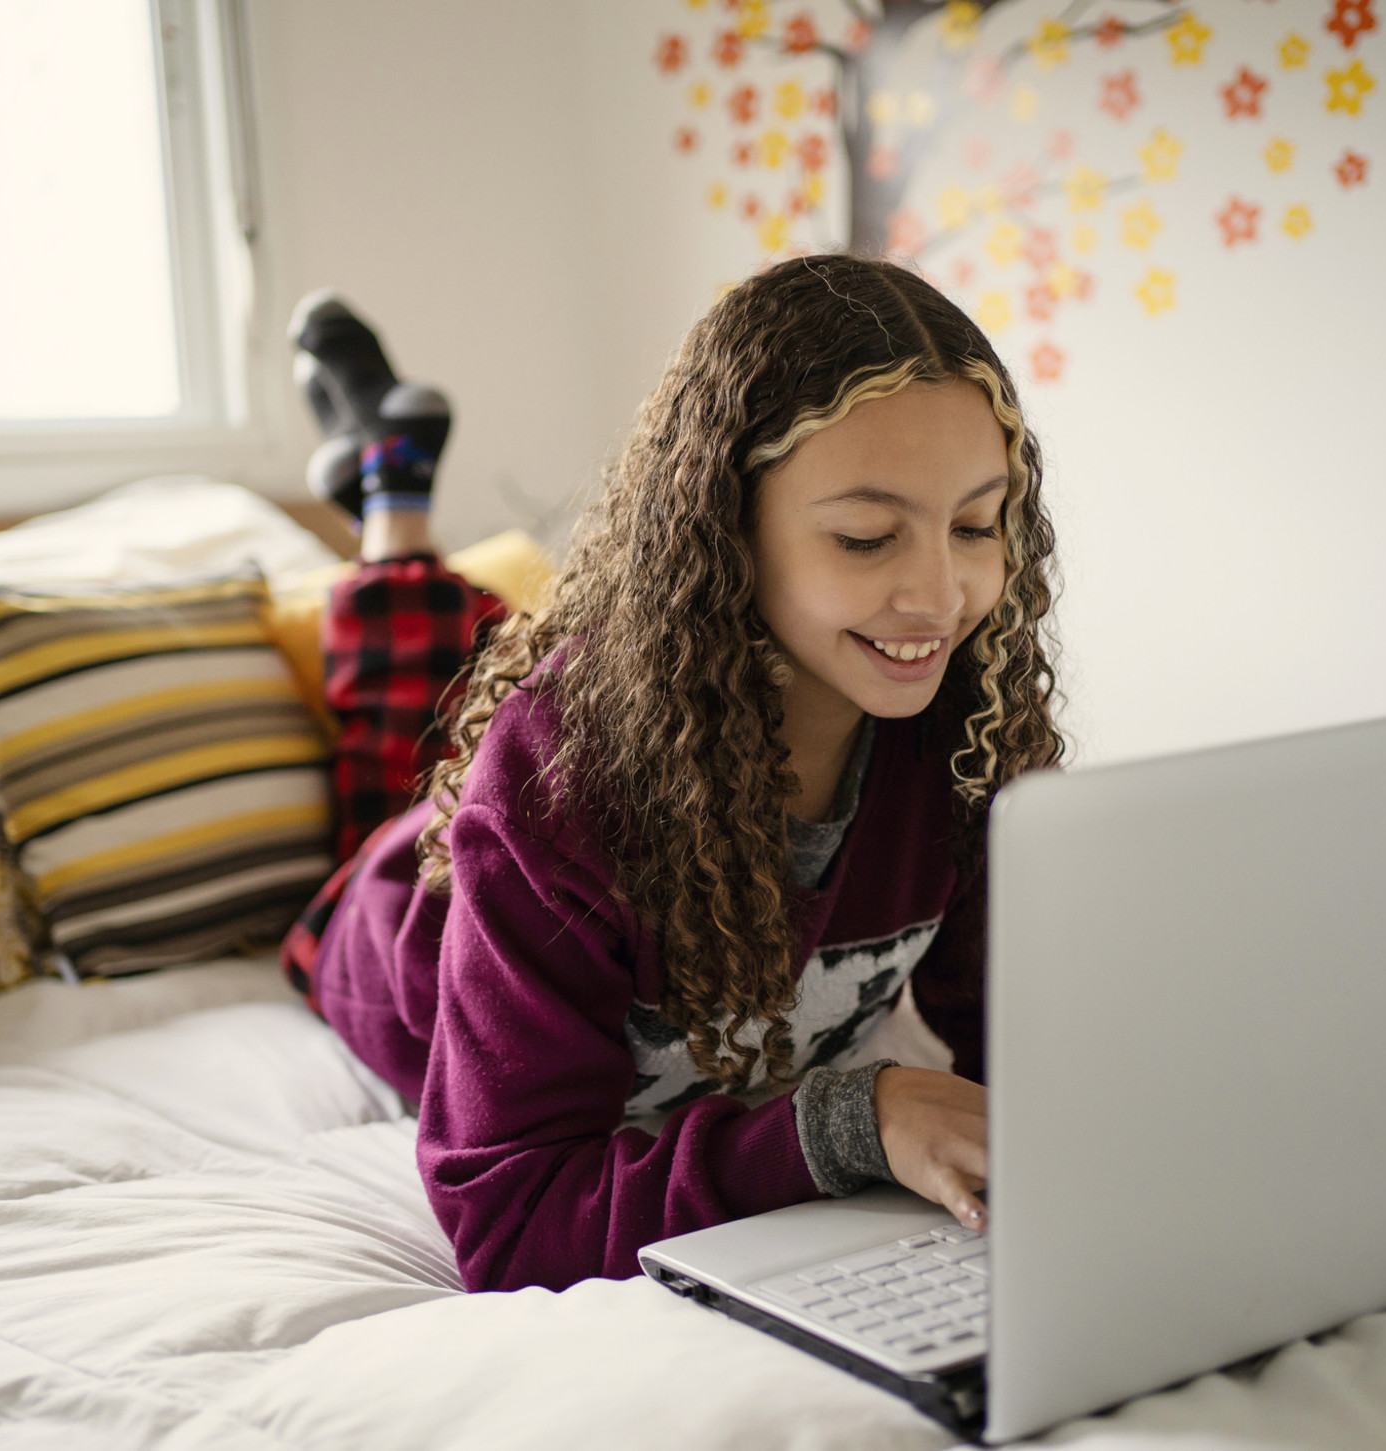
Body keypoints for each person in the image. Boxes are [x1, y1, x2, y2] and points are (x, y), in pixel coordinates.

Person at [283, 256, 1062, 1294]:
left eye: (976, 525)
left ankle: (392, 486)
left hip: (522, 803)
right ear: (724, 530)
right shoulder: (557, 778)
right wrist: (848, 1118)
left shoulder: (965, 728)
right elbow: (510, 1218)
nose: (938, 592)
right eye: (867, 536)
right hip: (389, 914)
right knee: (395, 736)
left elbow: (1023, 1045)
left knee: (445, 699)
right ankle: (391, 480)